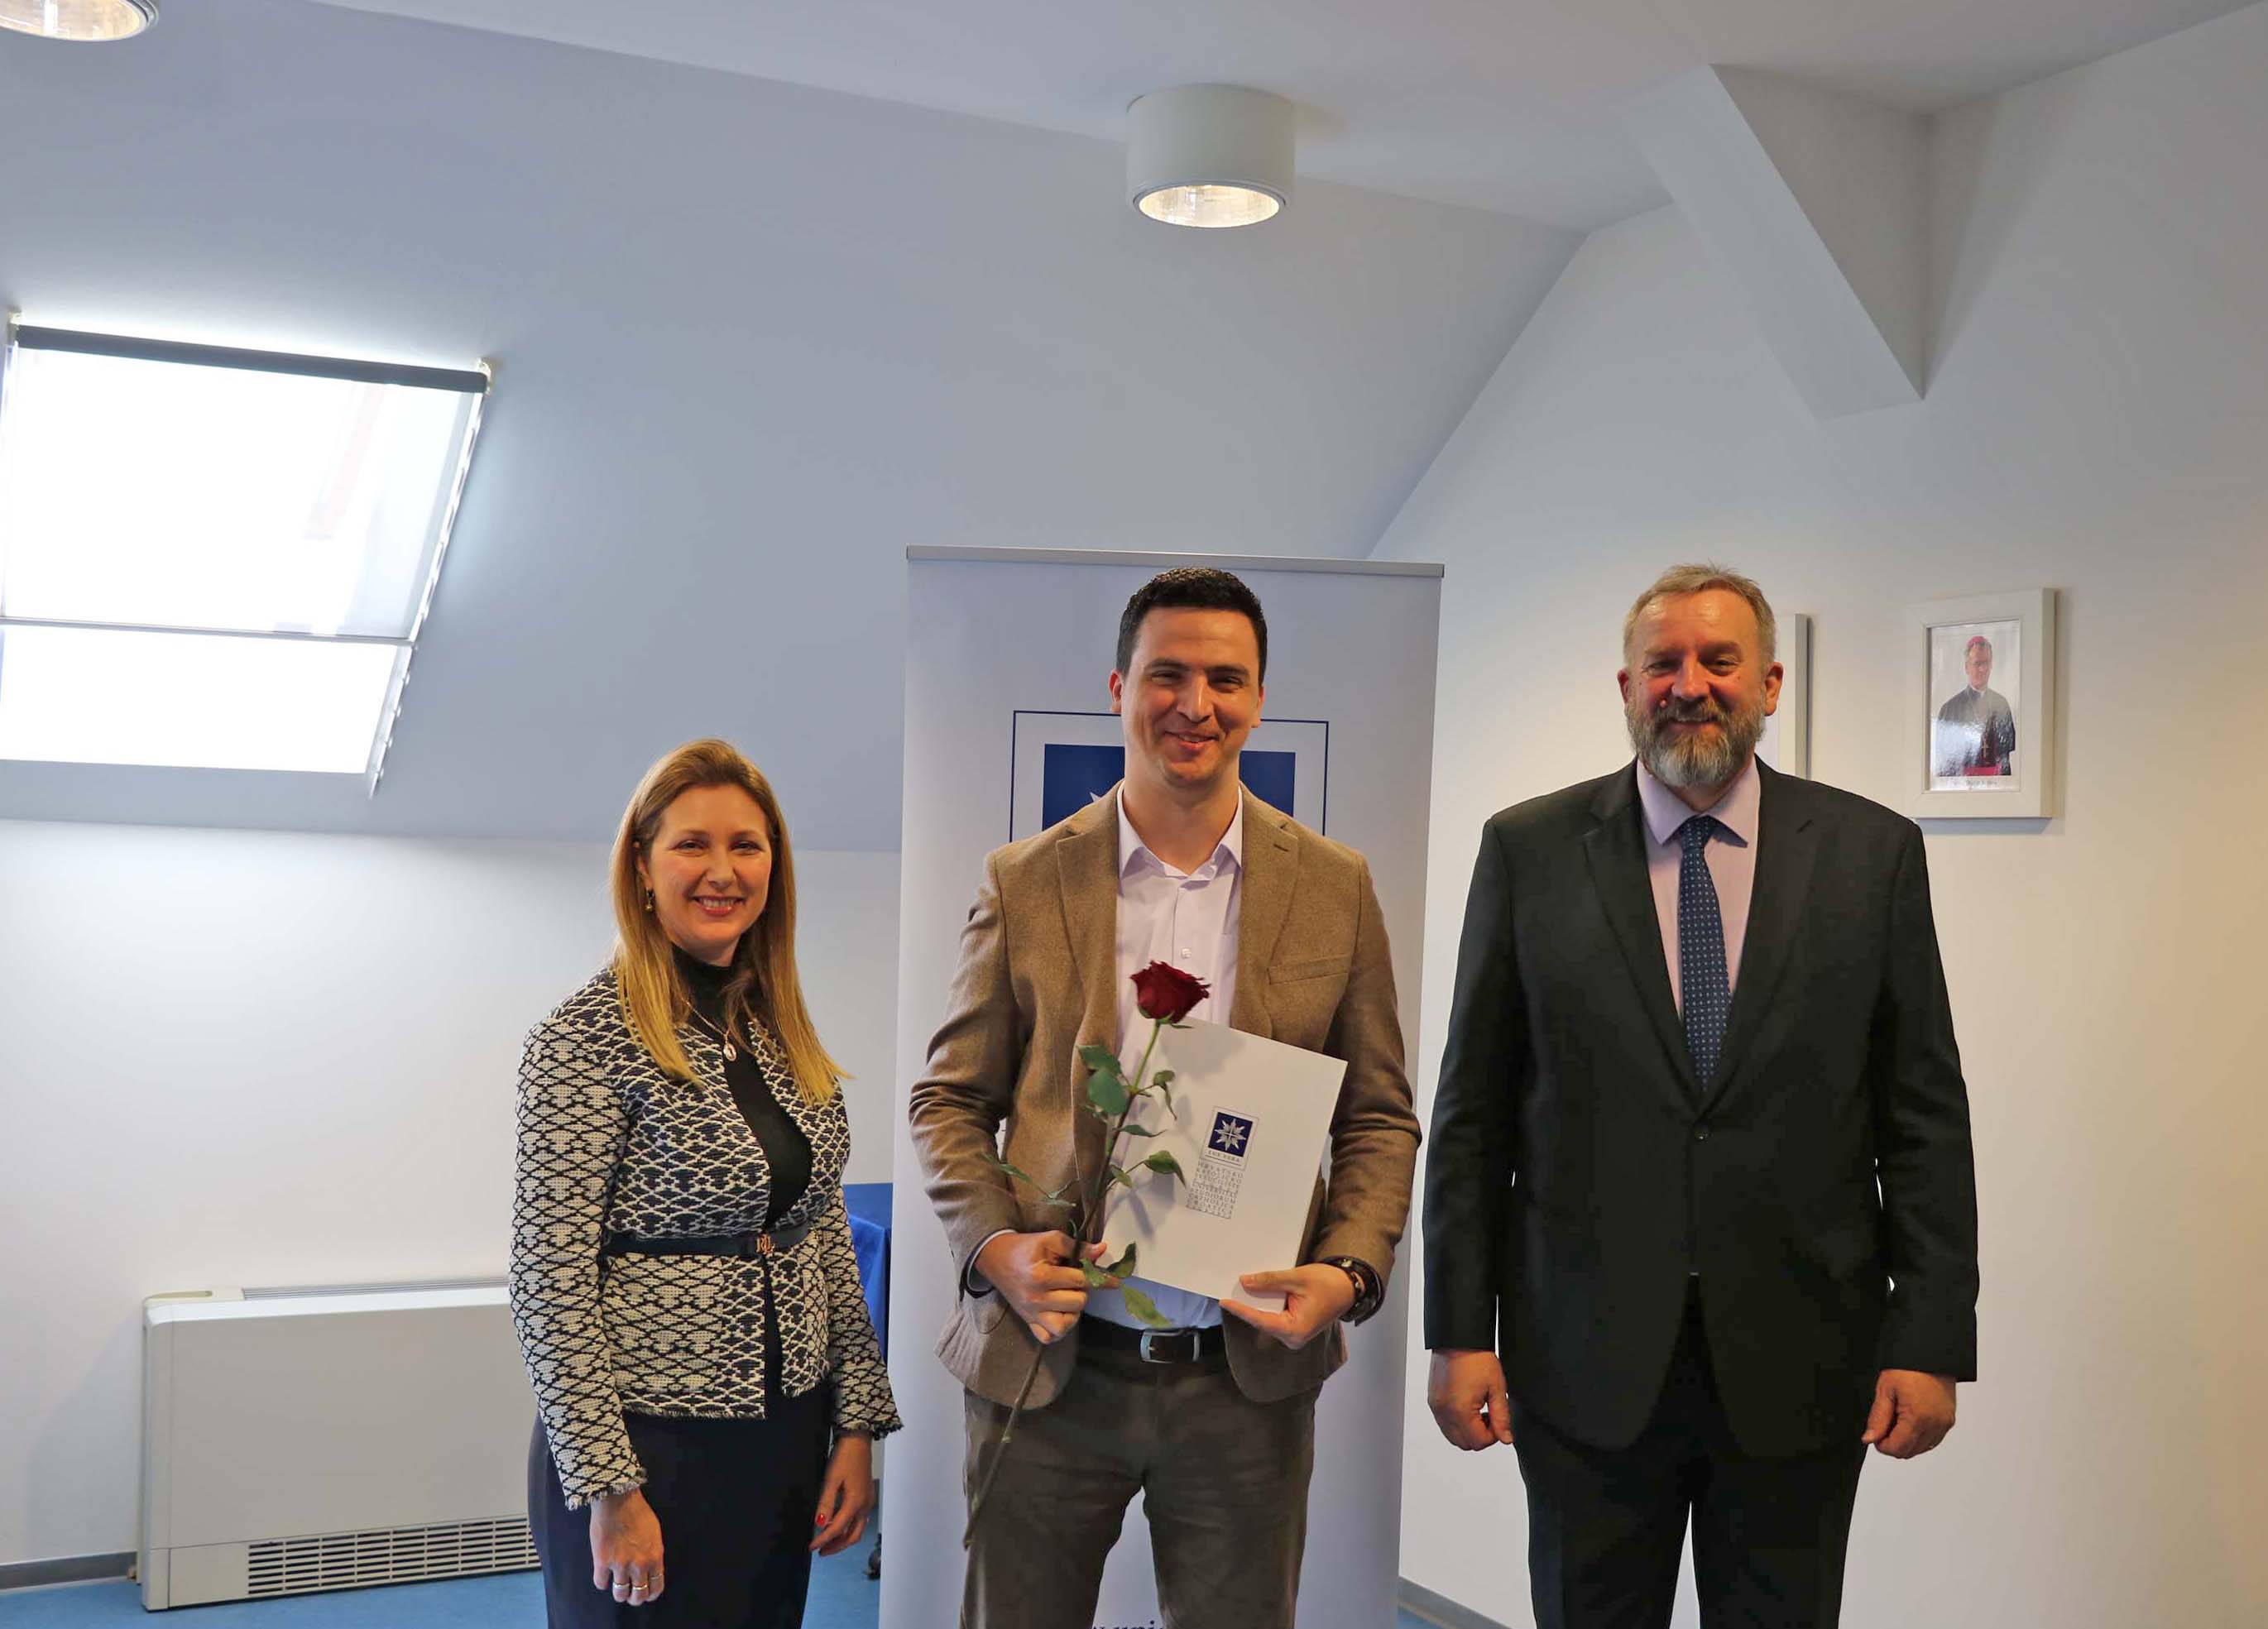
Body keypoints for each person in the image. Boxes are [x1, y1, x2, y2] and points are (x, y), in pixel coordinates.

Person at [1425, 565, 1978, 1629]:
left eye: (1718, 661)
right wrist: (1458, 1330)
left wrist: (1929, 1336)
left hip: (1802, 1356)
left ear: (1767, 682)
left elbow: (1921, 1119)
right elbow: (1472, 1116)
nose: (1688, 685)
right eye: (1661, 664)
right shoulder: (1527, 851)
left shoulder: (1870, 855)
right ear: (1624, 687)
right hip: (1580, 1359)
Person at [909, 567, 1419, 1629]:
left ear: (1259, 698)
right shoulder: (1023, 878)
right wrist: (993, 1249)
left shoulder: (1335, 885)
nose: (1196, 704)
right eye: (1166, 675)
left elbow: (1376, 1115)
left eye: (1225, 680)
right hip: (1050, 1365)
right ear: (1117, 688)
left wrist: (1346, 1269)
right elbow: (949, 1099)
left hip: (1242, 1382)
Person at [511, 739, 899, 1627]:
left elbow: (822, 1231)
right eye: (692, 843)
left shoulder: (776, 1029)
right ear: (641, 867)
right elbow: (547, 1278)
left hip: (782, 1438)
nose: (722, 870)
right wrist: (610, 1488)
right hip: (647, 1447)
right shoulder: (583, 1039)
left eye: (745, 845)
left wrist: (853, 1425)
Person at [1932, 635, 2017, 777]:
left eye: (1986, 663)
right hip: (1962, 785)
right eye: (1977, 663)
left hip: (1995, 785)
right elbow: (1945, 764)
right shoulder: (1949, 709)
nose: (1982, 669)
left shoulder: (2001, 704)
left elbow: (2005, 758)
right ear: (1967, 667)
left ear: (1991, 665)